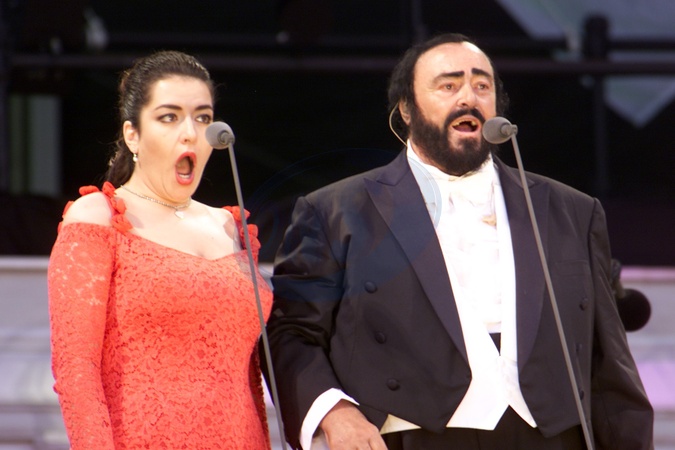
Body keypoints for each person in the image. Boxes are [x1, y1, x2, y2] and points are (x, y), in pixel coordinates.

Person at [264, 33, 653, 449]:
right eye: (448, 85)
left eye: (482, 85)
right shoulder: (336, 211)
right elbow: (291, 332)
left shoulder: (572, 209)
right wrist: (335, 413)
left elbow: (608, 360)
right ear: (406, 110)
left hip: (553, 437)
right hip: (412, 437)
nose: (469, 98)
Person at [48, 50, 272, 449]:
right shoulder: (98, 216)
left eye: (203, 117)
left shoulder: (231, 227)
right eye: (169, 117)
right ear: (132, 134)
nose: (190, 132)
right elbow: (75, 368)